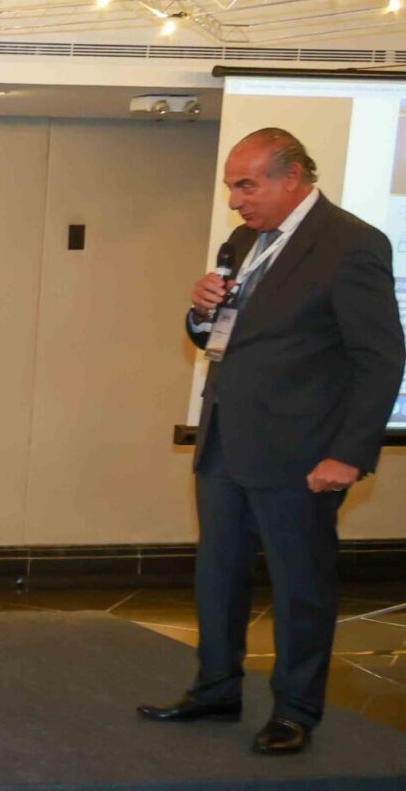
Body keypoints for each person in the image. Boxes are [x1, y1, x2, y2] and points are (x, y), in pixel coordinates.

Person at [140, 128, 405, 756]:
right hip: (226, 438)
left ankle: (295, 709)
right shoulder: (243, 242)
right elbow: (223, 338)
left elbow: (381, 357)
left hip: (302, 451)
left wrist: (349, 452)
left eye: (246, 185)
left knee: (300, 585)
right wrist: (200, 313)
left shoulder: (351, 243)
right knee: (218, 575)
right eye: (232, 187)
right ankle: (216, 688)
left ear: (293, 177)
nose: (235, 201)